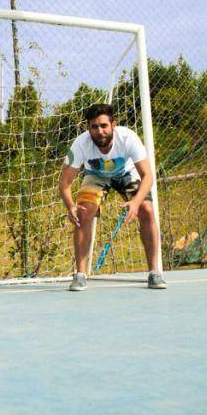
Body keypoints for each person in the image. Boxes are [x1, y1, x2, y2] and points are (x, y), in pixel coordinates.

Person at [58, 103, 166, 291]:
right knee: (83, 212)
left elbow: (148, 175)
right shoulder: (80, 144)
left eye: (104, 126)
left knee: (146, 209)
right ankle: (80, 274)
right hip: (96, 175)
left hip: (127, 173)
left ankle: (154, 273)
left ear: (113, 124)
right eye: (94, 127)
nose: (100, 131)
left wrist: (135, 202)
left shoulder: (128, 138)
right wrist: (70, 206)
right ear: (88, 128)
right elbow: (65, 182)